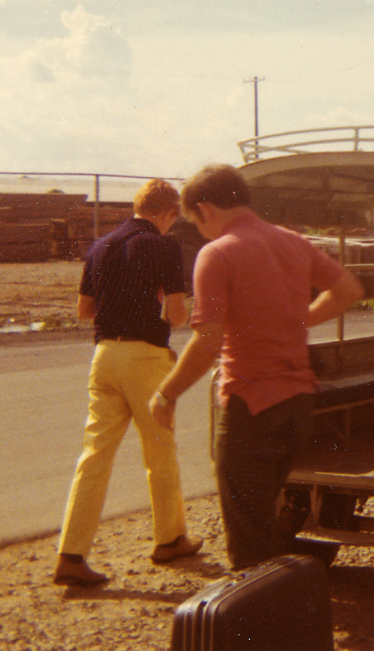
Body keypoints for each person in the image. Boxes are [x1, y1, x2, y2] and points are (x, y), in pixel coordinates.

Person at [149, 164, 364, 570]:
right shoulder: (294, 242)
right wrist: (299, 319)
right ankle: (277, 602)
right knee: (262, 516)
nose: (199, 231)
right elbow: (348, 289)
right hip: (298, 405)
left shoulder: (217, 253)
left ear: (206, 209)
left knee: (247, 535)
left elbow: (208, 341)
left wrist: (166, 394)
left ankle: (256, 622)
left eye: (196, 222)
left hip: (251, 407)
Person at [54, 179, 202, 587]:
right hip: (144, 357)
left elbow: (85, 311)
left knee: (94, 456)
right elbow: (176, 317)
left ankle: (71, 552)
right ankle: (170, 538)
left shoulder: (101, 245)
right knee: (159, 451)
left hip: (104, 356)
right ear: (167, 212)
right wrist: (157, 301)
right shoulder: (164, 246)